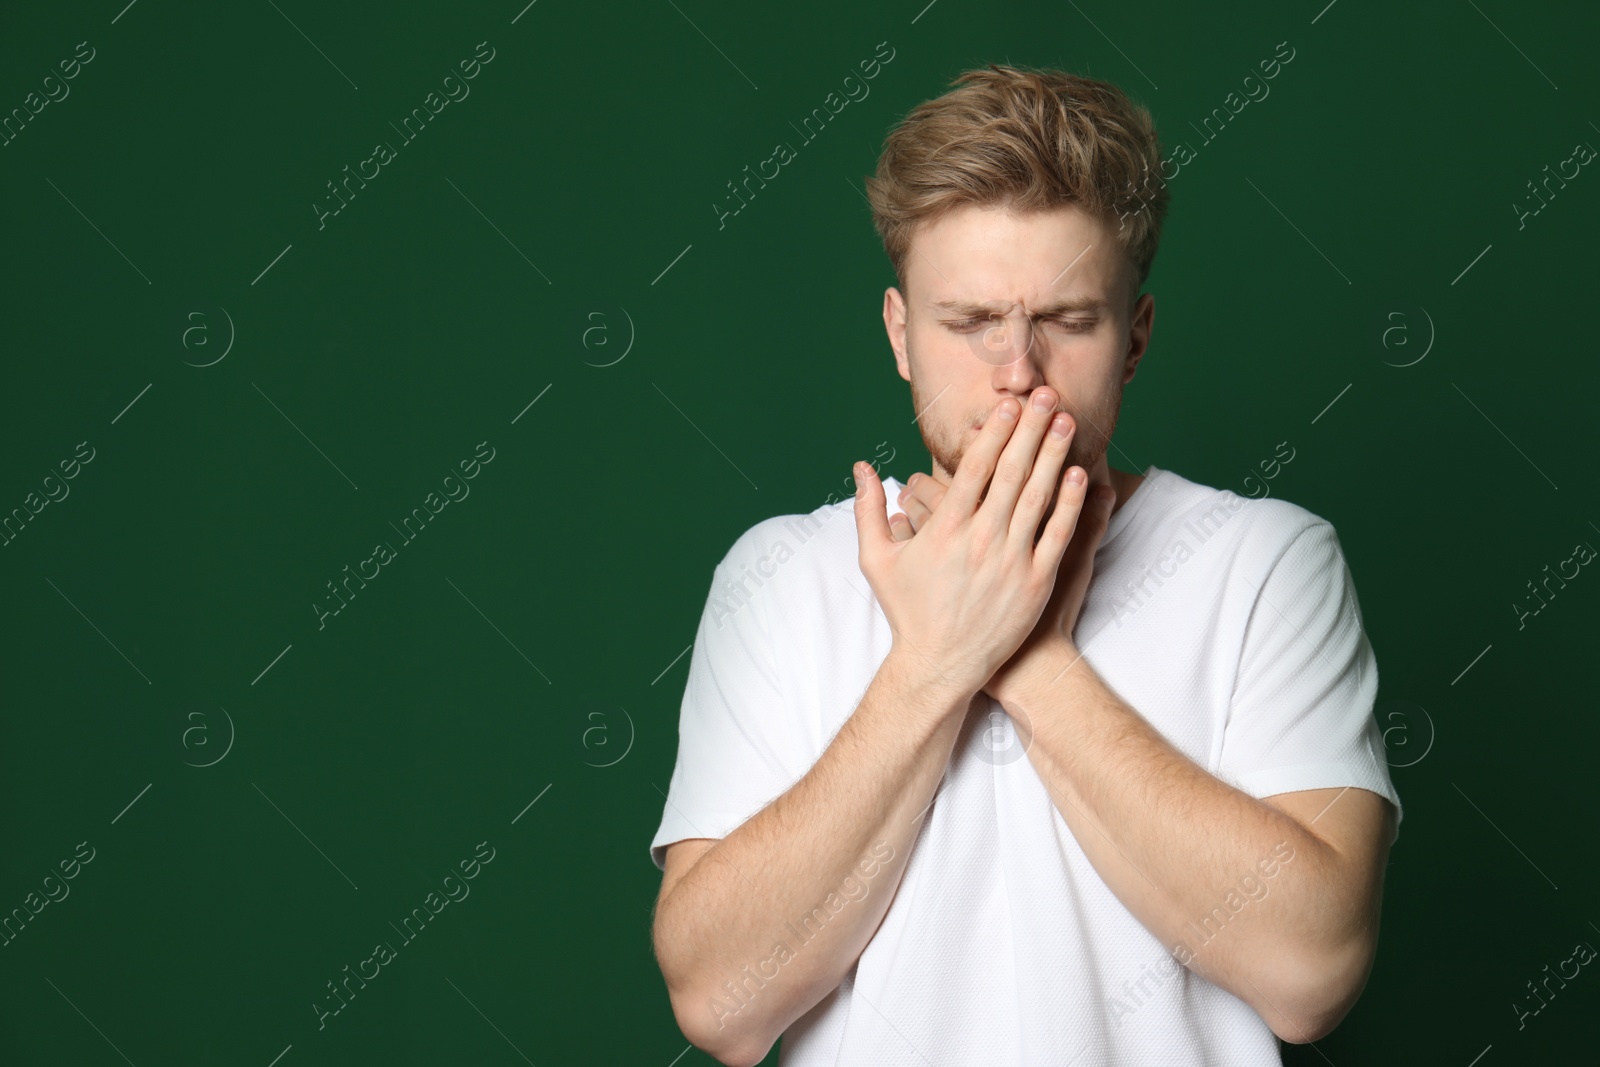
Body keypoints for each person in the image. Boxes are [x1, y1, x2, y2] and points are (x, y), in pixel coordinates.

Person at [649, 63, 1401, 1067]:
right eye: (968, 322)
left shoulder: (1265, 562)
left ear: (1133, 339)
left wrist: (1025, 653)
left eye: (1067, 320)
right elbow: (718, 1003)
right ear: (899, 333)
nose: (1016, 373)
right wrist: (929, 666)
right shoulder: (778, 575)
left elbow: (1311, 973)